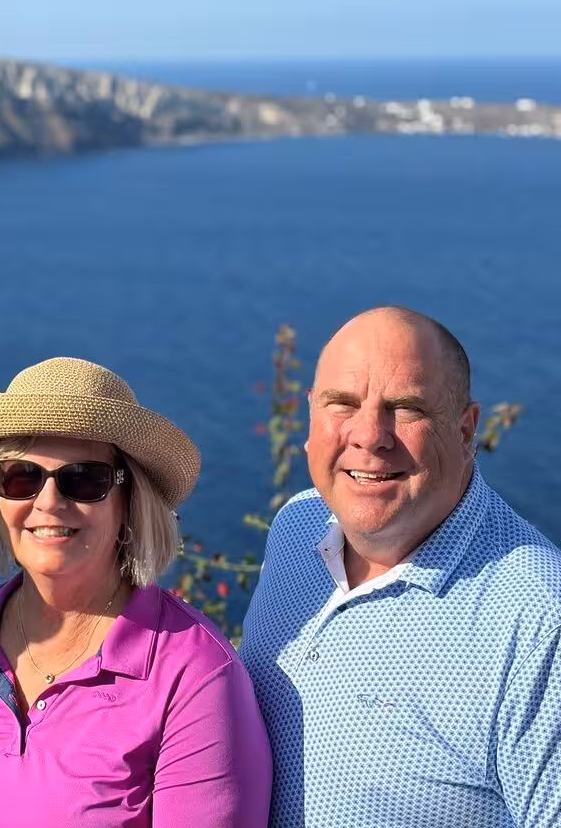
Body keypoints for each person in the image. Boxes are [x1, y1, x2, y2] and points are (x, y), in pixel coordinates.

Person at [0, 357, 272, 827]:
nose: (49, 502)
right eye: (21, 477)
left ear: (129, 500)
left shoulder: (191, 674)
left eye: (84, 480)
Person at [240, 306, 561, 828]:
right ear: (310, 418)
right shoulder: (296, 528)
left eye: (406, 408)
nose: (369, 436)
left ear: (465, 430)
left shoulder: (538, 621)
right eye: (341, 404)